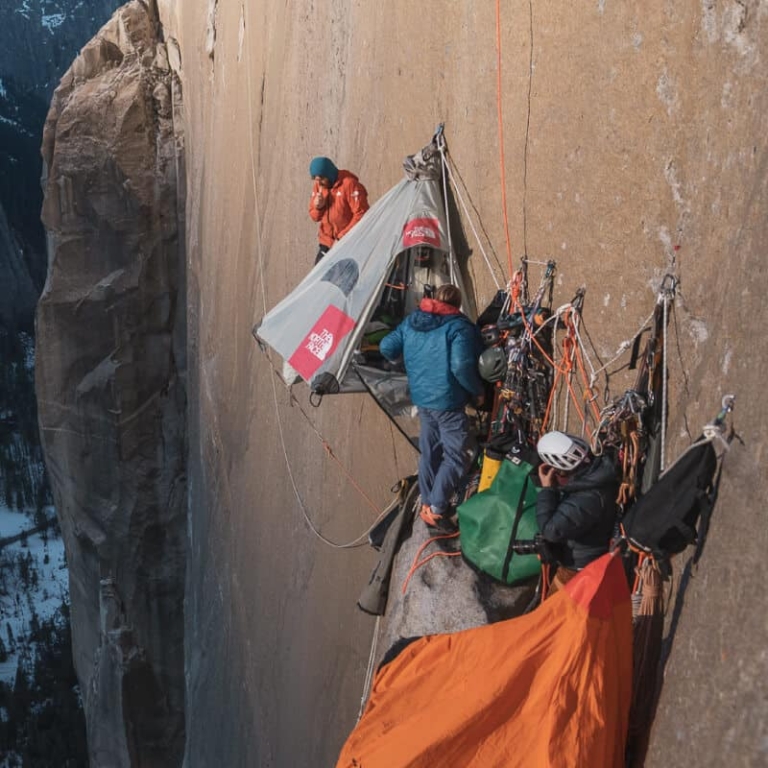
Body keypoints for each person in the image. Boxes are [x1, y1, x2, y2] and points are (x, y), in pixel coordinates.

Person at [379, 284, 484, 530]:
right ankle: (437, 508)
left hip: (422, 397)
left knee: (430, 451)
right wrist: (477, 392)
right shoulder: (458, 327)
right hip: (447, 401)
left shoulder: (412, 321)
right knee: (457, 456)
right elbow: (460, 366)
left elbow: (386, 347)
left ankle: (427, 502)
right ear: (456, 305)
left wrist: (406, 363)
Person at [535, 430, 619, 593]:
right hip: (590, 558)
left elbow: (550, 531)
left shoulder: (586, 499)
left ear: (558, 470)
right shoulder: (600, 472)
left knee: (553, 614)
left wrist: (547, 490)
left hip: (579, 568)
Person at [308, 156, 369, 264]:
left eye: (322, 178)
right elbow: (314, 216)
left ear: (329, 174)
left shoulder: (349, 185)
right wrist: (319, 207)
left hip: (348, 243)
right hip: (327, 243)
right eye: (316, 179)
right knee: (319, 278)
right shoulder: (319, 186)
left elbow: (361, 214)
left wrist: (342, 238)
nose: (319, 182)